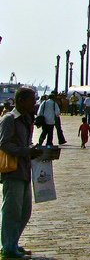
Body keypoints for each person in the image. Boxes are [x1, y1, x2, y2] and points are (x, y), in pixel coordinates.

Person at [0, 87, 43, 259]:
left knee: (24, 211)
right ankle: (8, 249)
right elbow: (4, 144)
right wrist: (27, 151)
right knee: (12, 211)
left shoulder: (26, 119)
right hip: (13, 171)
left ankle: (13, 242)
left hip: (25, 170)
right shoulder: (9, 119)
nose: (35, 103)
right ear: (22, 101)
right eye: (32, 100)